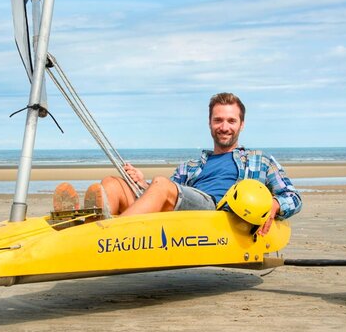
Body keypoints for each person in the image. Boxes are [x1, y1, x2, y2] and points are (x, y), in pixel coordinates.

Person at [56, 92, 302, 236]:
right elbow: (168, 196)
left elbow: (293, 197)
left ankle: (106, 236)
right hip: (181, 210)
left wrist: (274, 203)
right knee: (114, 183)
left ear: (241, 124)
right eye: (218, 120)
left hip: (215, 213)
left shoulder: (260, 160)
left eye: (231, 120)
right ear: (209, 123)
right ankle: (81, 228)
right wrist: (142, 184)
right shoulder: (192, 166)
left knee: (162, 185)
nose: (224, 127)